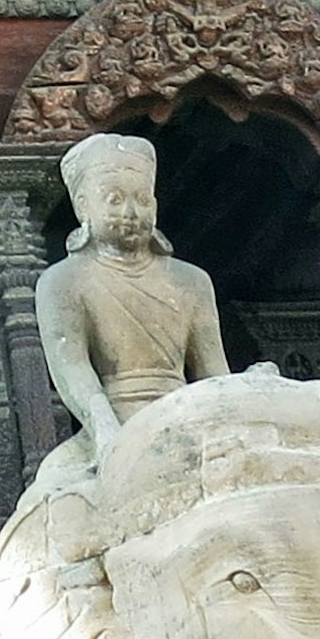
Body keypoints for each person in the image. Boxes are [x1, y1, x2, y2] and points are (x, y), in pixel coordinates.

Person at [33, 130, 229, 455]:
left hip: (188, 411)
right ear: (84, 207)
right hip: (115, 417)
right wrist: (104, 427)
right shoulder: (63, 281)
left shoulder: (191, 281)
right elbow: (72, 367)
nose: (131, 214)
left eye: (142, 200)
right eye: (114, 200)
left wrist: (245, 389)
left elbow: (213, 372)